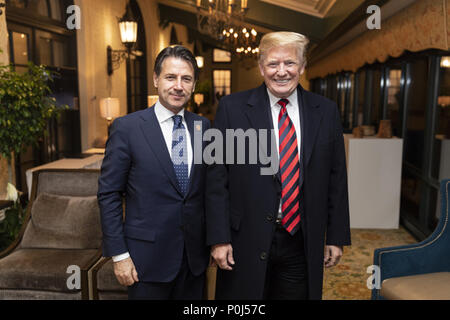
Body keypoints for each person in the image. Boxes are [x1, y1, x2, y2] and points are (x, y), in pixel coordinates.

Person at [206, 32, 351, 300]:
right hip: (243, 240)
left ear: (303, 66)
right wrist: (218, 238)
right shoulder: (231, 108)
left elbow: (336, 177)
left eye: (290, 63)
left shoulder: (326, 110)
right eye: (273, 64)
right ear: (261, 67)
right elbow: (217, 178)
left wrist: (336, 235)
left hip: (301, 239)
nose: (281, 72)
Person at [98, 45, 211, 300]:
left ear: (193, 85)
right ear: (155, 79)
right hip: (145, 262)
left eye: (186, 79)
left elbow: (208, 191)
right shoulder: (127, 128)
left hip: (193, 261)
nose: (178, 86)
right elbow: (109, 194)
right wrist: (119, 255)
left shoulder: (203, 127)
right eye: (171, 77)